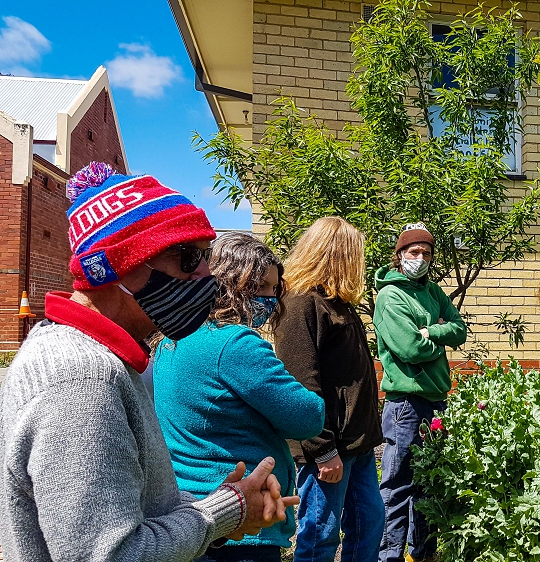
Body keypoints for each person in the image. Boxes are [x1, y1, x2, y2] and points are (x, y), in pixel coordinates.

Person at [0, 162, 296, 561]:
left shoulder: (88, 357)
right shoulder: (83, 381)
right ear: (118, 266)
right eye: (189, 257)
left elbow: (128, 507)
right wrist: (225, 511)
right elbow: (112, 554)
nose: (207, 275)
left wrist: (228, 507)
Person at [153, 232, 326, 562]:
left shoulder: (172, 340)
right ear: (230, 284)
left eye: (275, 289)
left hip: (189, 513)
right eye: (260, 287)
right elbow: (307, 417)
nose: (271, 298)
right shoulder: (236, 344)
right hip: (242, 522)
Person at [273, 217, 385, 562]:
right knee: (319, 535)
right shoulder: (299, 304)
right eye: (355, 255)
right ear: (336, 255)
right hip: (328, 447)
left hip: (358, 444)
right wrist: (322, 448)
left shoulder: (336, 302)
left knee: (369, 524)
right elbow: (300, 384)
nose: (359, 264)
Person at [374, 223, 467, 562]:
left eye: (426, 253)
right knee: (398, 486)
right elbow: (410, 348)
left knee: (429, 485)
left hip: (436, 401)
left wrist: (432, 333)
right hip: (406, 405)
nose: (421, 258)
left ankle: (423, 553)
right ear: (400, 255)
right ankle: (389, 555)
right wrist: (434, 343)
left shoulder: (433, 291)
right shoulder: (390, 295)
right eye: (414, 252)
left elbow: (459, 330)